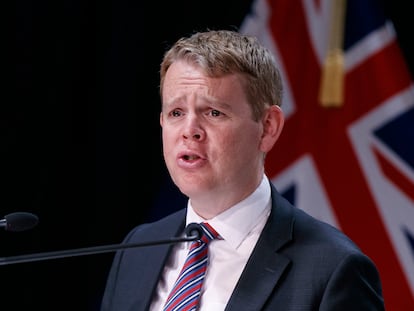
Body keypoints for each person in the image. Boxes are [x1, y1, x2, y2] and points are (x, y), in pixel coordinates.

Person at [100, 29, 385, 310]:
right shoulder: (138, 247)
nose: (189, 131)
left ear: (268, 127)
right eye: (176, 113)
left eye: (214, 112)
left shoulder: (333, 269)